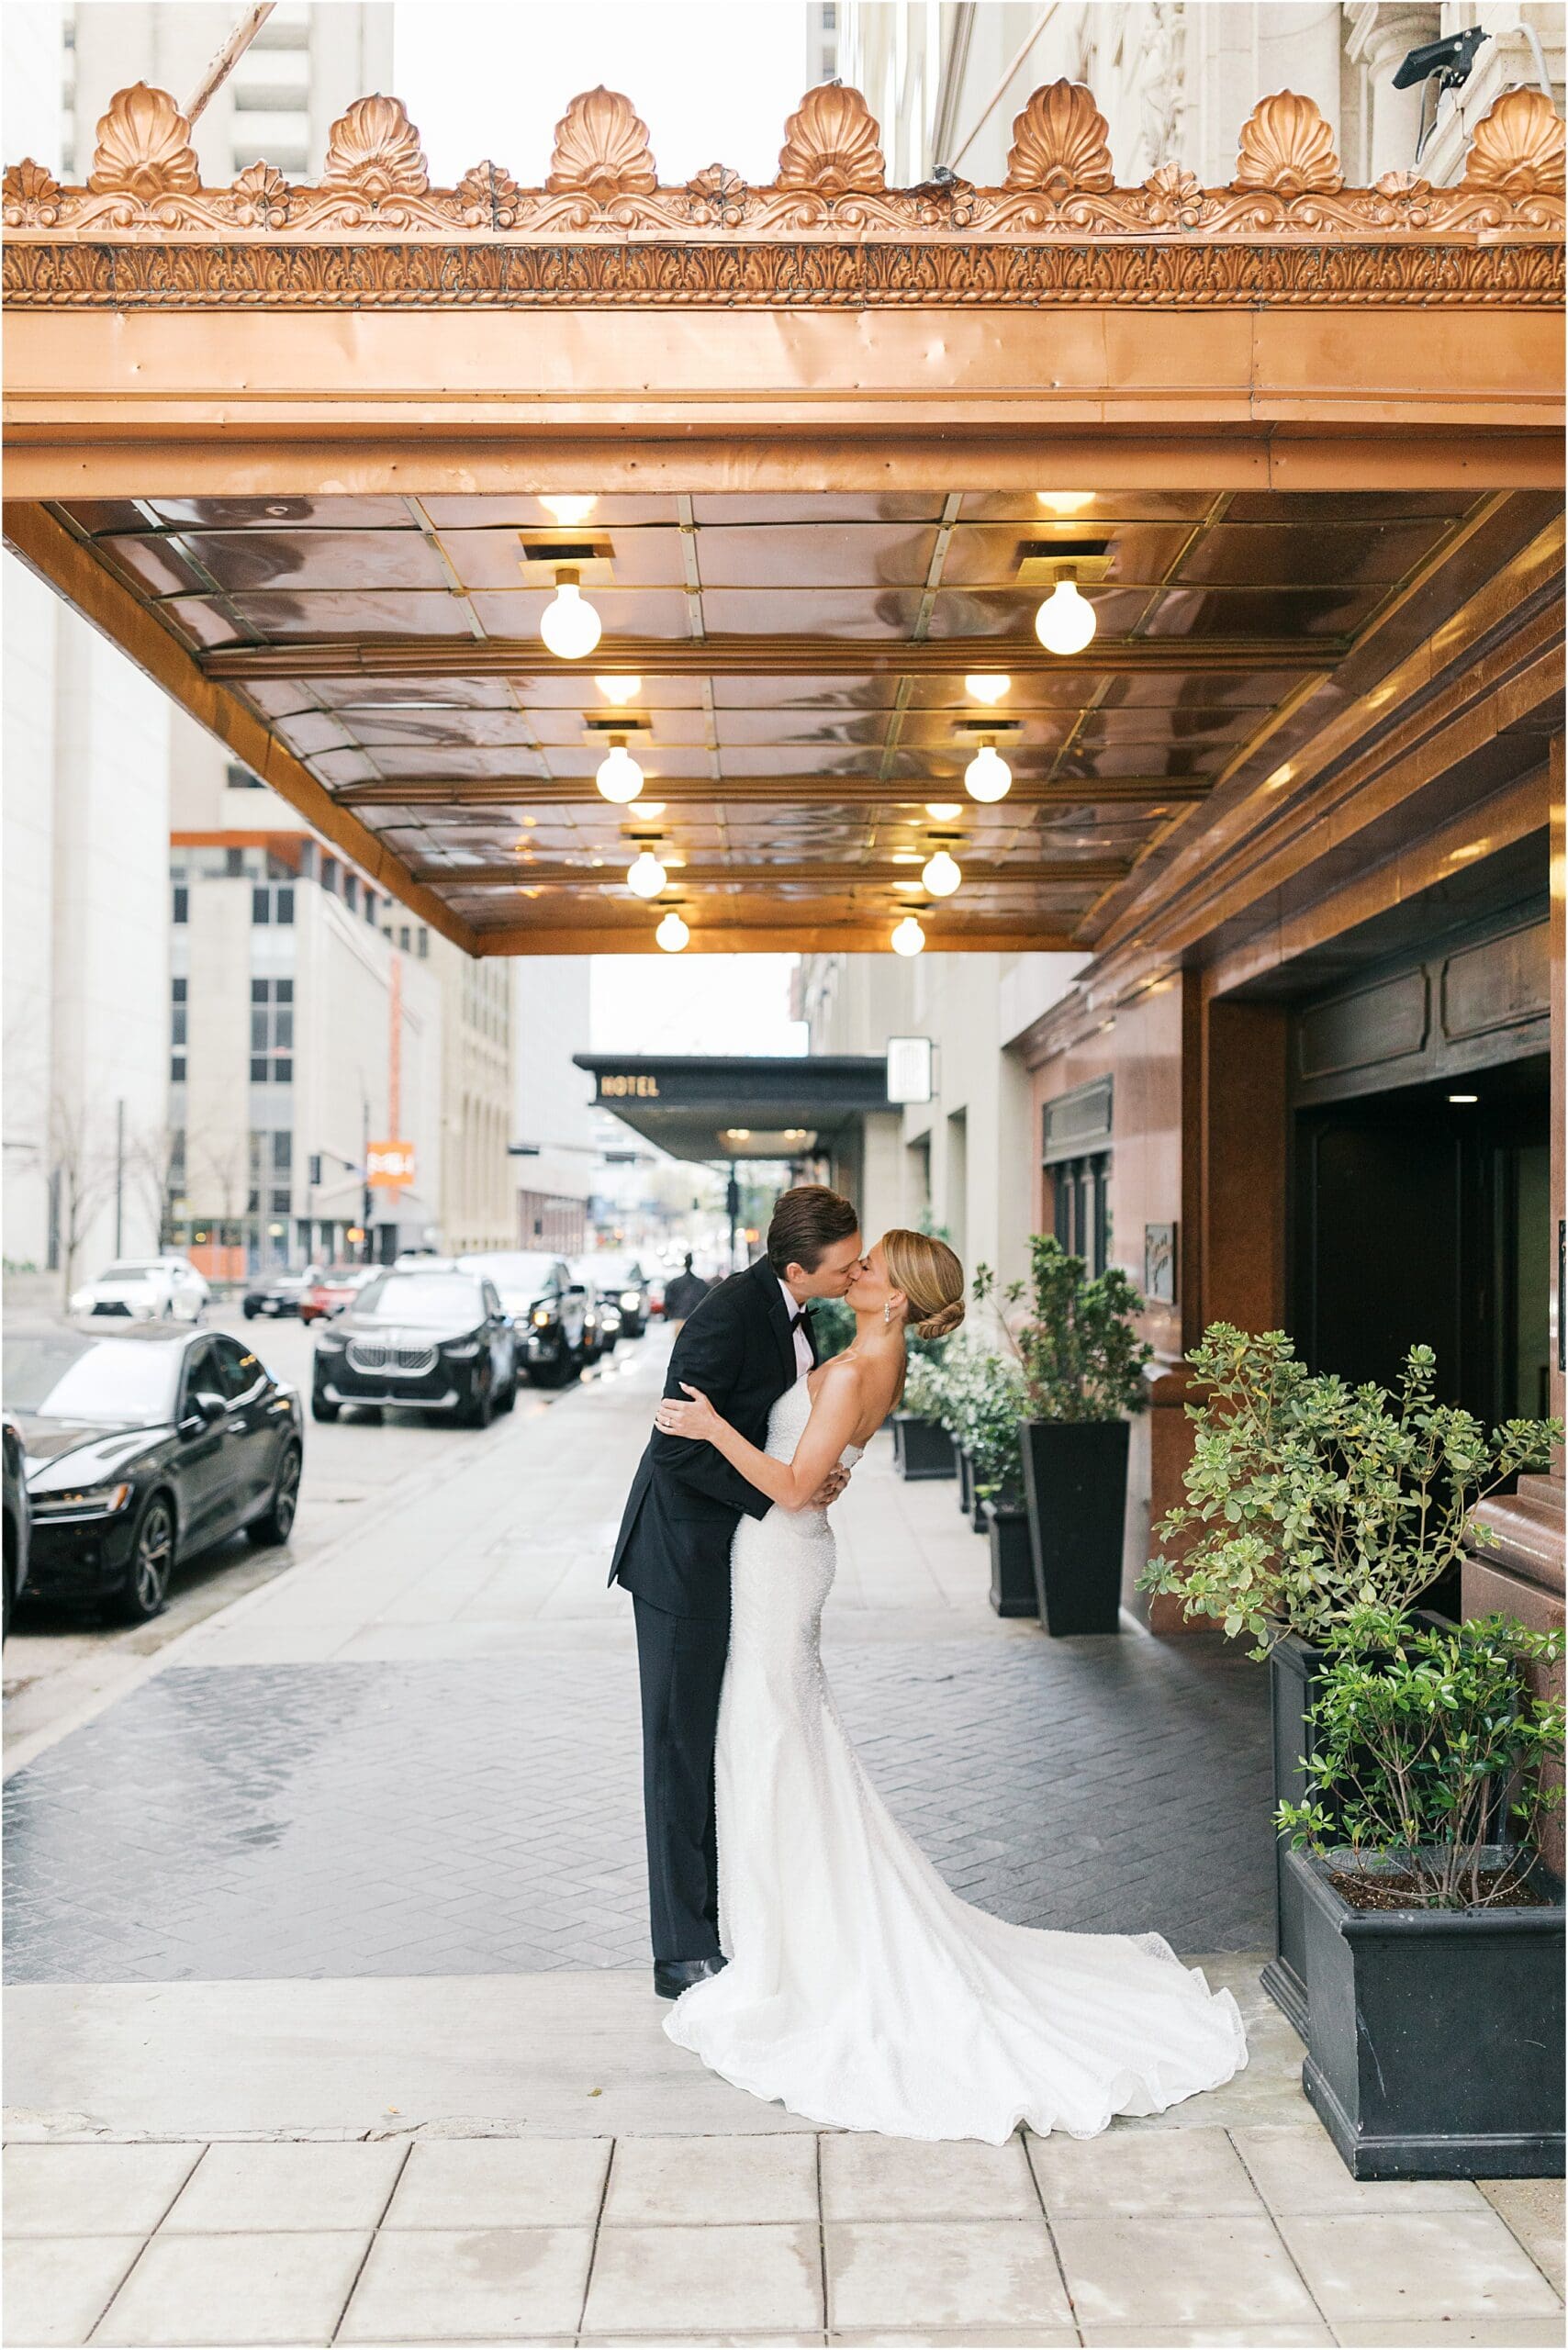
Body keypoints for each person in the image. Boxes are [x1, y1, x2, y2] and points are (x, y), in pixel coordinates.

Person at [651, 1227, 1247, 2143]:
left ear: (893, 1299)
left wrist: (713, 1426)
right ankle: (786, 1934)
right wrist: (823, 1466)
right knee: (783, 1742)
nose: (855, 1273)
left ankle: (791, 1954)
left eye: (871, 1269)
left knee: (771, 1741)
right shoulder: (876, 1358)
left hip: (778, 1555)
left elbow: (788, 1483)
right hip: (785, 1560)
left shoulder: (856, 1368)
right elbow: (821, 1466)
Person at [609, 1184, 864, 2000]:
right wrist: (780, 1493)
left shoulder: (802, 1312)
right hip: (681, 1558)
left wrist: (811, 1481)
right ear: (797, 1266)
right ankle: (680, 1952)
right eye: (845, 1265)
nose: (855, 1272)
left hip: (743, 1555)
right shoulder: (724, 1317)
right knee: (678, 1752)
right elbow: (676, 1450)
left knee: (726, 1740)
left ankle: (729, 1918)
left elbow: (776, 1428)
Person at [661, 1254, 710, 1326]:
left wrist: (671, 1313)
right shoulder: (701, 1284)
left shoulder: (675, 1283)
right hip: (695, 1319)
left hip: (679, 1317)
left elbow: (668, 1301)